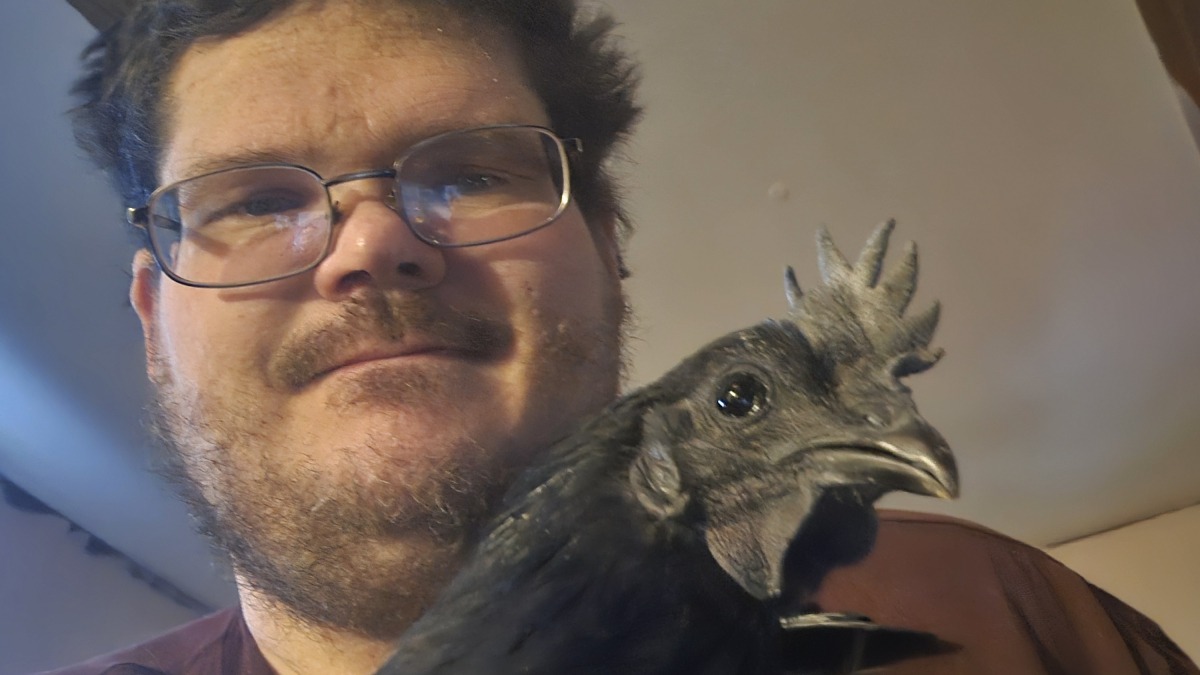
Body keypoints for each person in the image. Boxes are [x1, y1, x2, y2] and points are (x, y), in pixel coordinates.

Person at [48, 1, 1200, 673]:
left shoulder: (991, 610)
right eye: (251, 202)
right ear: (155, 322)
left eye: (473, 171)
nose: (370, 246)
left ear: (607, 248)